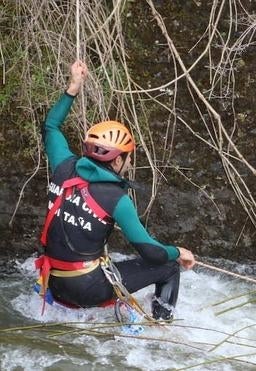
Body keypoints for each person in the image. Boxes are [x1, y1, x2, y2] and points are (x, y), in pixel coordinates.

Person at [35, 60, 195, 321]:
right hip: (86, 290)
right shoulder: (117, 199)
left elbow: (51, 126)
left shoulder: (63, 165)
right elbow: (151, 253)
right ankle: (162, 326)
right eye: (128, 157)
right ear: (118, 160)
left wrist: (73, 87)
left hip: (53, 282)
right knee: (167, 267)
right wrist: (178, 252)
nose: (129, 162)